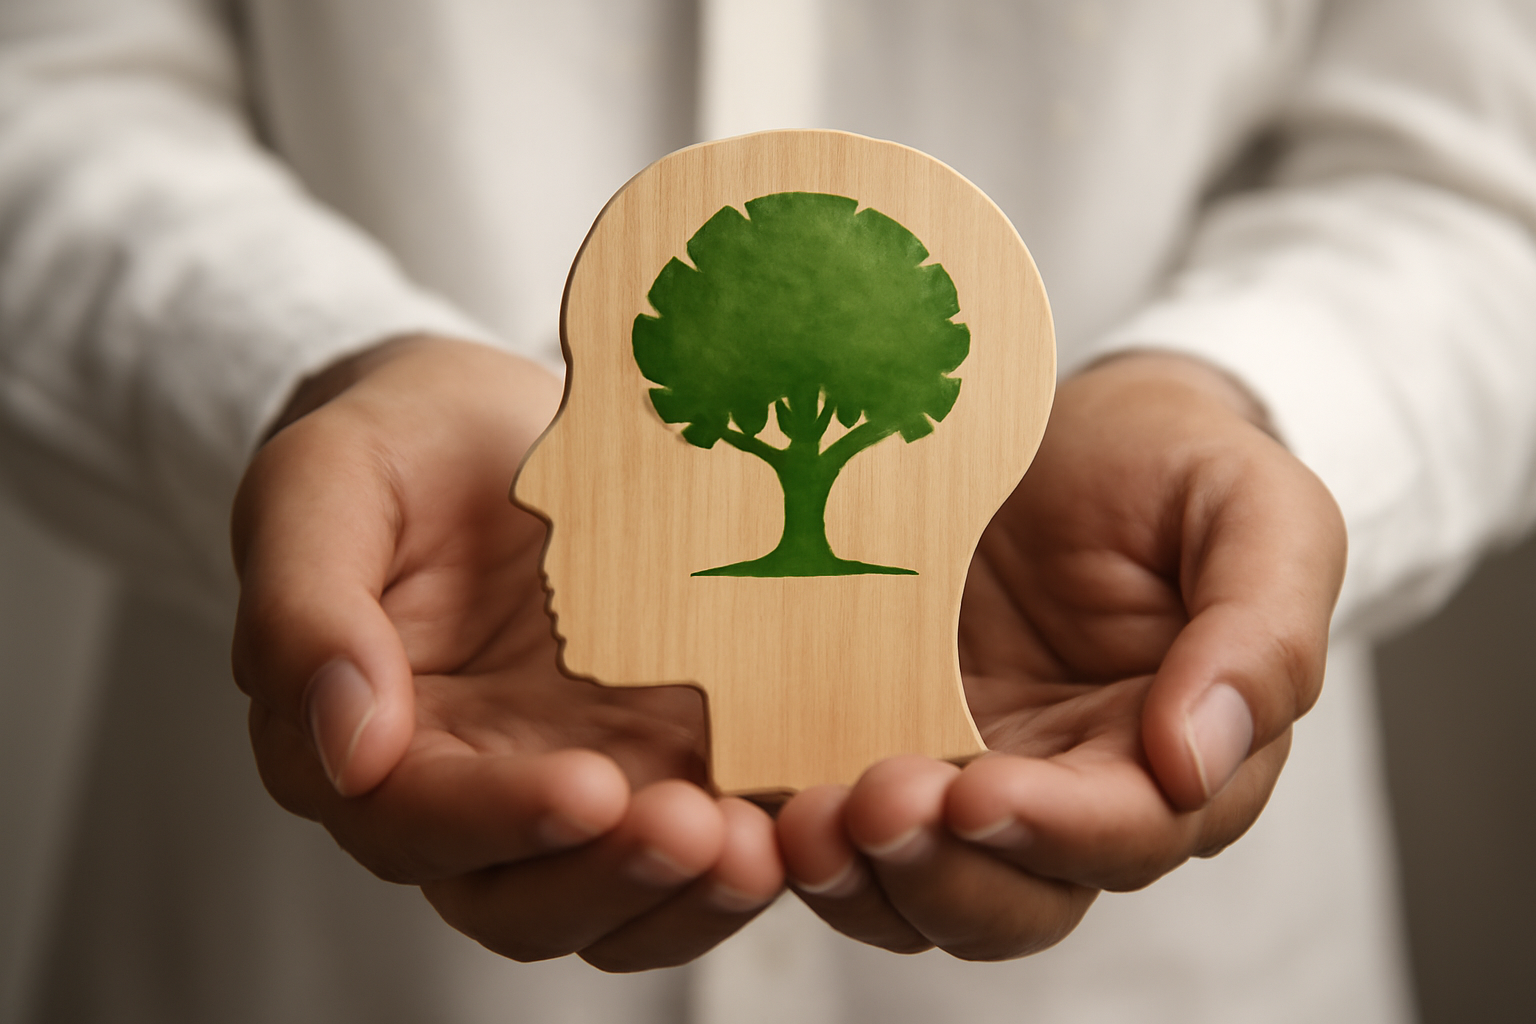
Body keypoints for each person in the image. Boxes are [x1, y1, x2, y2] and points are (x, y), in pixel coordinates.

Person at [1, 1, 1534, 1021]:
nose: (539, 468)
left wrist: (1249, 402)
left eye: (613, 396)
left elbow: (1482, 178)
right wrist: (304, 369)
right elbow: (44, 81)